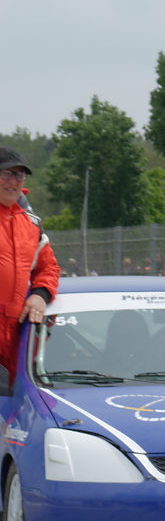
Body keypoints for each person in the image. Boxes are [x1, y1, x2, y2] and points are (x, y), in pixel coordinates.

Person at [0, 146, 59, 383]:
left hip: (18, 337)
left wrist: (40, 295)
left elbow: (49, 268)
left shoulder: (31, 225)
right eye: (6, 173)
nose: (13, 181)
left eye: (19, 175)